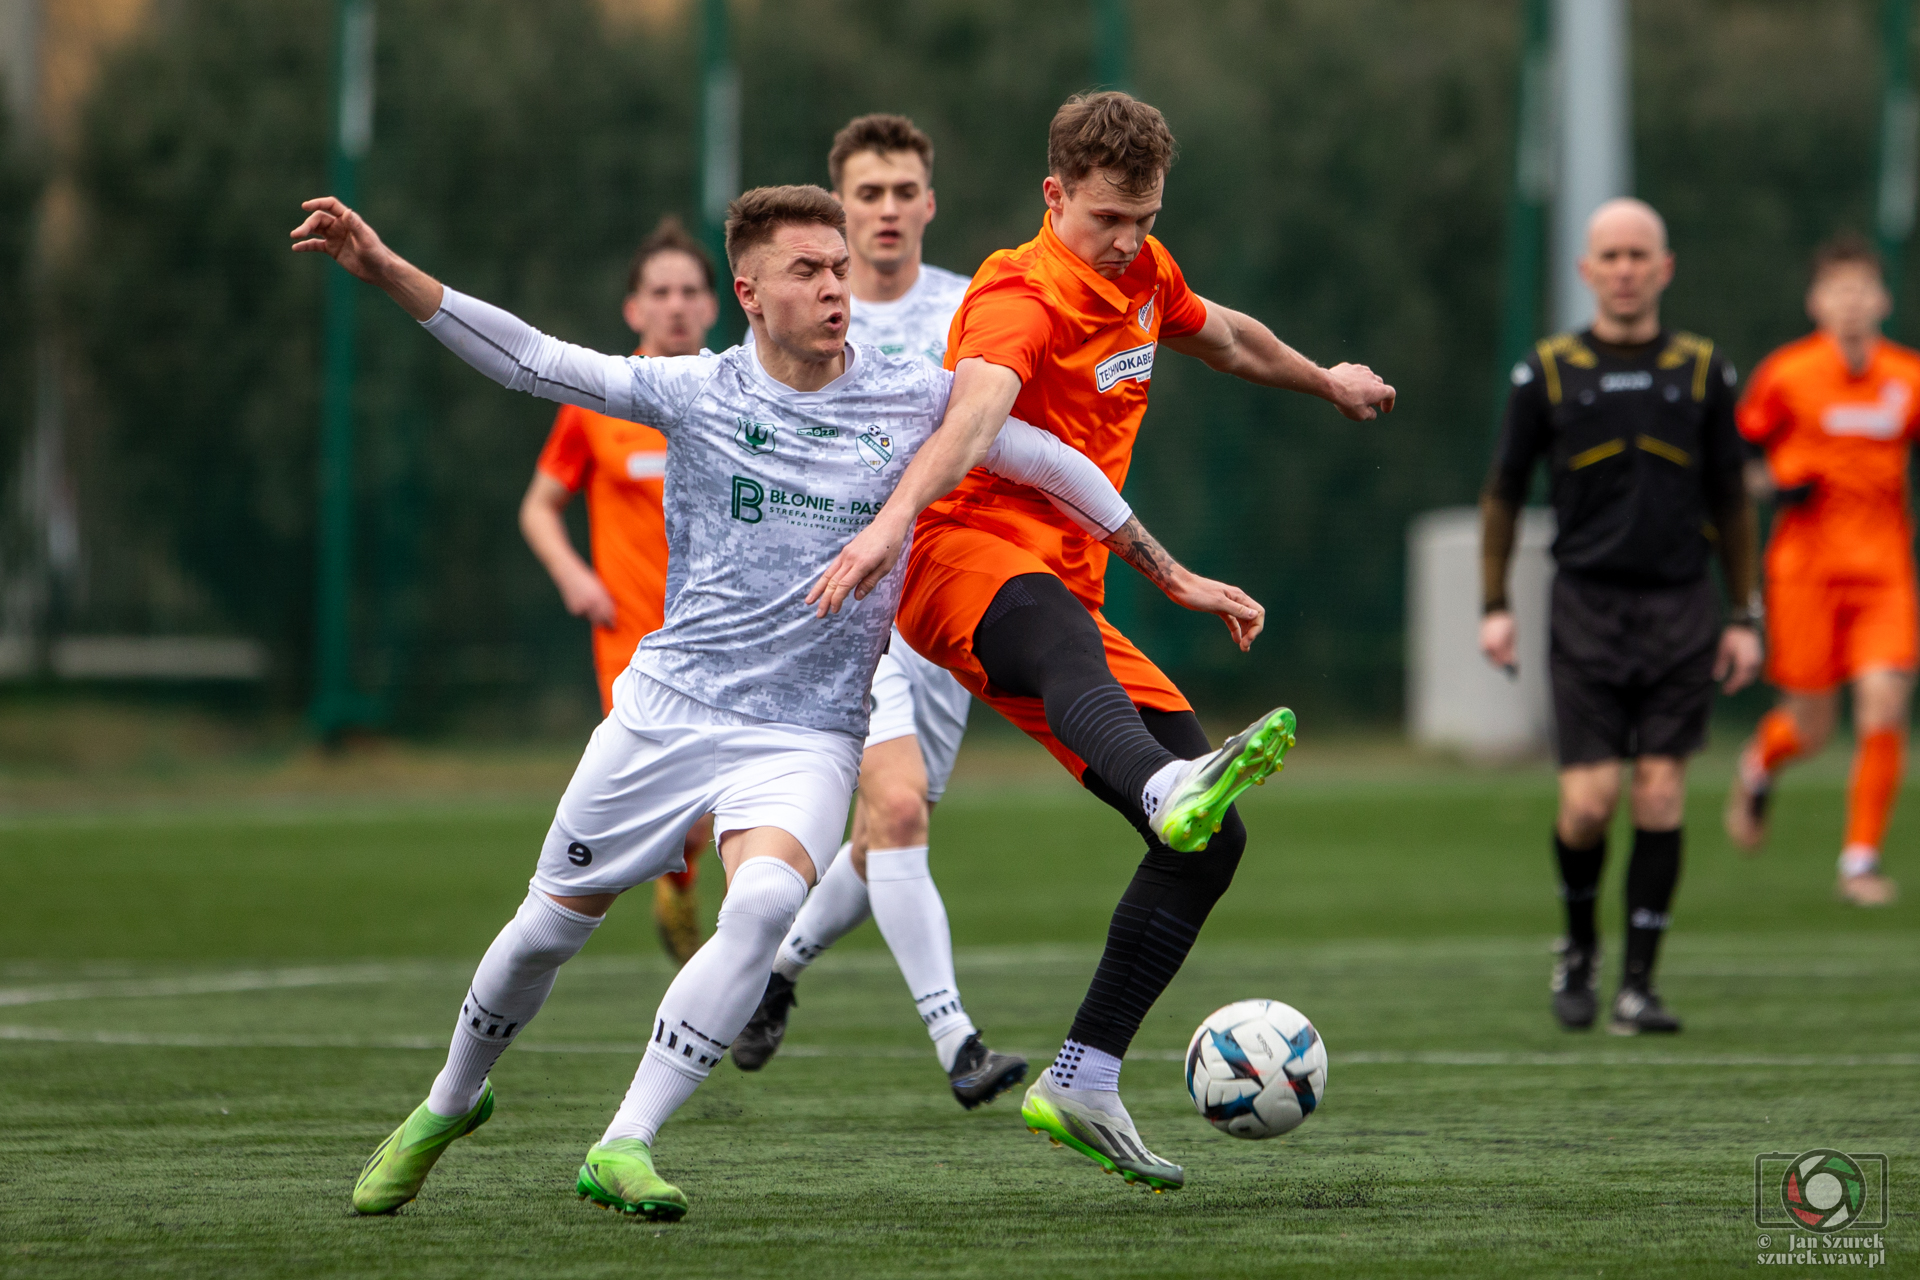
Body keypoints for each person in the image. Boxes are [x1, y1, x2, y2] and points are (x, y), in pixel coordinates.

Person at [294, 183, 1250, 1221]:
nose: (836, 286)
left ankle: (625, 1139)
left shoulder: (909, 397)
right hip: (667, 710)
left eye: (839, 267)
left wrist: (1171, 574)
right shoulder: (694, 390)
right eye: (808, 270)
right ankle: (449, 1101)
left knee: (758, 907)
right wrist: (385, 269)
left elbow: (1049, 457)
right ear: (748, 293)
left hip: (807, 734)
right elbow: (531, 358)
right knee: (543, 932)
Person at [807, 91, 1396, 1191]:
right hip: (957, 554)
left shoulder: (1146, 274)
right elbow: (975, 416)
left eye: (1144, 217)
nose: (1126, 239)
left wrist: (1325, 379)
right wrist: (891, 526)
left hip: (1067, 589)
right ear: (1054, 195)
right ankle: (1164, 787)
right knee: (1090, 679)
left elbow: (1225, 336)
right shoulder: (1015, 297)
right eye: (1107, 218)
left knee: (1213, 843)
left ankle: (1083, 1076)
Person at [731, 115, 1026, 1109]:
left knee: (889, 835)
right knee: (896, 811)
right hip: (852, 604)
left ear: (929, 203)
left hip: (945, 600)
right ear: (841, 206)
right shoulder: (800, 311)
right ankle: (959, 1043)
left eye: (904, 191)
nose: (887, 210)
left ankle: (778, 968)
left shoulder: (971, 309)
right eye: (869, 193)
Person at [1480, 198, 1762, 1038]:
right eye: (1611, 255)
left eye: (1640, 254)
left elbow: (1733, 500)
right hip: (1586, 610)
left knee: (1662, 794)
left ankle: (1638, 989)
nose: (1626, 269)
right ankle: (1578, 949)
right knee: (1590, 804)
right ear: (1587, 270)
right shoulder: (1547, 372)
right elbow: (1503, 493)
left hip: (1681, 608)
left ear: (1665, 268)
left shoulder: (1705, 371)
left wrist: (1744, 614)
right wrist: (1494, 605)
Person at [519, 215, 719, 965]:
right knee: (675, 804)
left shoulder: (737, 395)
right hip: (633, 637)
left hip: (724, 633)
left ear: (715, 304)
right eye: (660, 292)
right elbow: (539, 506)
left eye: (689, 291)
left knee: (725, 797)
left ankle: (707, 904)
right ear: (634, 308)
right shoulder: (600, 399)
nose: (676, 305)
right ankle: (673, 879)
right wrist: (574, 576)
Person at [1725, 233, 1916, 908]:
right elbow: (1738, 457)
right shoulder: (1788, 374)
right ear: (1816, 302)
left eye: (1863, 288)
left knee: (1884, 704)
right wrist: (1773, 485)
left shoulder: (1906, 376)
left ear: (1883, 300)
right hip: (1805, 569)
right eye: (1839, 289)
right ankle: (1760, 762)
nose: (1852, 302)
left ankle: (1859, 862)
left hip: (1884, 571)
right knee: (1810, 727)